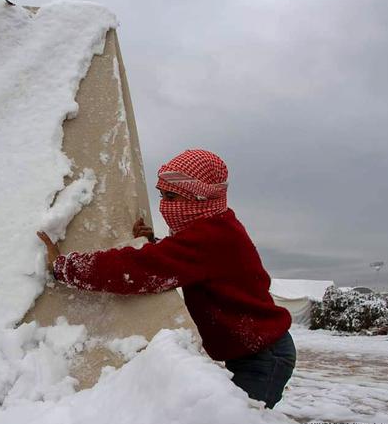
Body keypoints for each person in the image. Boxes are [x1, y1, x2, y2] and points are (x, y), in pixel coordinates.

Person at [36, 149, 296, 409]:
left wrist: (65, 266)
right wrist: (155, 244)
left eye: (172, 196)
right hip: (254, 351)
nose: (164, 205)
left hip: (264, 357)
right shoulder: (217, 227)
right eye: (162, 195)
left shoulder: (211, 237)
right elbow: (187, 262)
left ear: (200, 198)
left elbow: (137, 269)